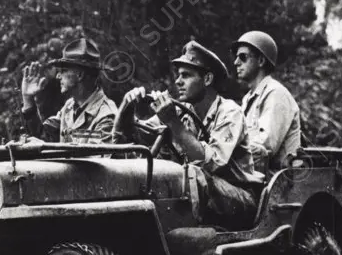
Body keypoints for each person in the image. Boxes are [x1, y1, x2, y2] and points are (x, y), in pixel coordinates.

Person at [117, 40, 264, 228]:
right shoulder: (181, 110)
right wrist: (127, 109)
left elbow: (210, 162)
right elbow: (138, 138)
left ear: (207, 79)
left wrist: (173, 124)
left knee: (192, 174)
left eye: (186, 75)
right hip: (204, 195)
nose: (178, 81)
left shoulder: (230, 112)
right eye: (178, 75)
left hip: (239, 198)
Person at [20, 37, 117, 144]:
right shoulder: (70, 107)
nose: (58, 76)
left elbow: (95, 158)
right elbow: (44, 136)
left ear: (79, 75)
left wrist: (47, 149)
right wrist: (28, 100)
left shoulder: (106, 116)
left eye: (63, 71)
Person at [231, 30, 301, 175]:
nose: (236, 62)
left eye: (243, 57)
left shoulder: (276, 94)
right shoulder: (248, 99)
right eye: (236, 57)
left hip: (278, 181)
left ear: (261, 61)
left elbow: (264, 147)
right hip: (256, 175)